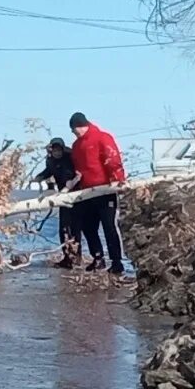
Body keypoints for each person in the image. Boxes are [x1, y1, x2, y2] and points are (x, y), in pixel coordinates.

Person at [69, 112, 126, 274]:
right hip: (87, 191)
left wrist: (117, 179)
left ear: (83, 125)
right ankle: (98, 257)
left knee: (109, 226)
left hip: (105, 189)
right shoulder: (76, 146)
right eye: (73, 131)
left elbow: (112, 158)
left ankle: (116, 261)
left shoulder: (102, 138)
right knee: (88, 226)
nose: (75, 133)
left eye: (76, 129)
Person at [33, 137, 82, 269]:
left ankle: (76, 256)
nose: (57, 153)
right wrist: (39, 177)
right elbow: (49, 171)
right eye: (55, 150)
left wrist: (68, 188)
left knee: (75, 227)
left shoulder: (69, 158)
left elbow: (71, 174)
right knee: (63, 228)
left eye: (59, 150)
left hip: (74, 195)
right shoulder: (51, 160)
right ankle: (67, 256)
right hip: (62, 196)